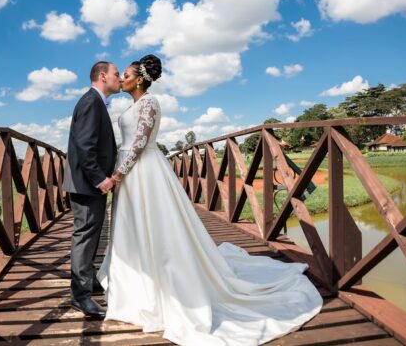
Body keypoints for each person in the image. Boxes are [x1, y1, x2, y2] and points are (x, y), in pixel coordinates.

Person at [97, 54, 323, 345]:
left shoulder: (150, 103)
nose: (122, 78)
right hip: (130, 170)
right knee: (133, 224)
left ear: (140, 79)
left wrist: (118, 174)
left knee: (157, 223)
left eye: (126, 74)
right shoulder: (132, 105)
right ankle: (135, 275)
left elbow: (140, 142)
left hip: (143, 170)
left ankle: (163, 279)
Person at [64, 61, 119, 318]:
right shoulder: (90, 102)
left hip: (88, 185)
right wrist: (100, 179)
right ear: (102, 75)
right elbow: (85, 146)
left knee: (91, 234)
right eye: (116, 74)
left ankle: (88, 279)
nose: (119, 78)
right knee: (85, 236)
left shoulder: (94, 102)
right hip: (87, 185)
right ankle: (80, 296)